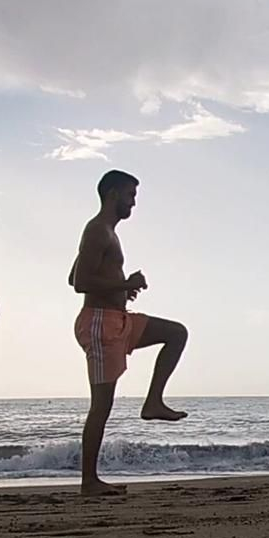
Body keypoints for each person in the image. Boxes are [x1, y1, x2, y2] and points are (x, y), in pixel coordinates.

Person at [69, 170, 189, 496]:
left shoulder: (107, 232)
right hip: (99, 323)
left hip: (119, 319)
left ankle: (153, 402)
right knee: (101, 406)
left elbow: (74, 275)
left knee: (176, 333)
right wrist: (125, 284)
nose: (133, 202)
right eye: (130, 195)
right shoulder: (97, 230)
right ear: (112, 194)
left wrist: (121, 290)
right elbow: (80, 283)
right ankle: (89, 482)